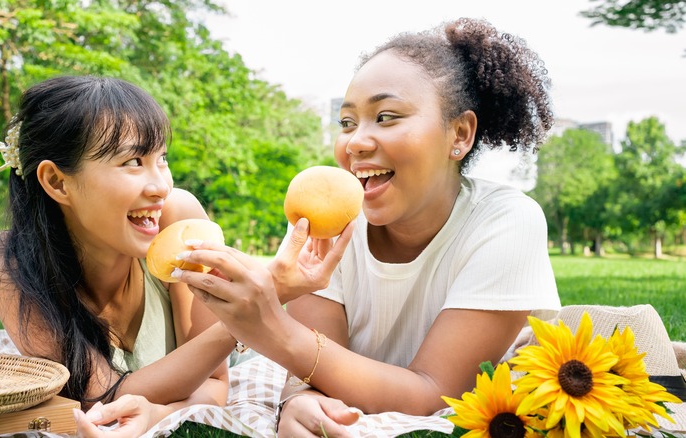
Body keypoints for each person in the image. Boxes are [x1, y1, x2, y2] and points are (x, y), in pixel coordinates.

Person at [170, 17, 562, 437]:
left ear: (460, 134)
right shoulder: (325, 218)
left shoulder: (504, 221)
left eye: (387, 116)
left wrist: (269, 323)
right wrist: (301, 401)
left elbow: (434, 393)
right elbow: (314, 368)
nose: (355, 142)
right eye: (347, 122)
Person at [0, 76, 242, 435]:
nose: (162, 185)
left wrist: (157, 413)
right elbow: (100, 399)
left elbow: (215, 383)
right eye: (133, 161)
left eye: (161, 158)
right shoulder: (8, 261)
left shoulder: (179, 223)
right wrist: (240, 324)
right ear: (57, 182)